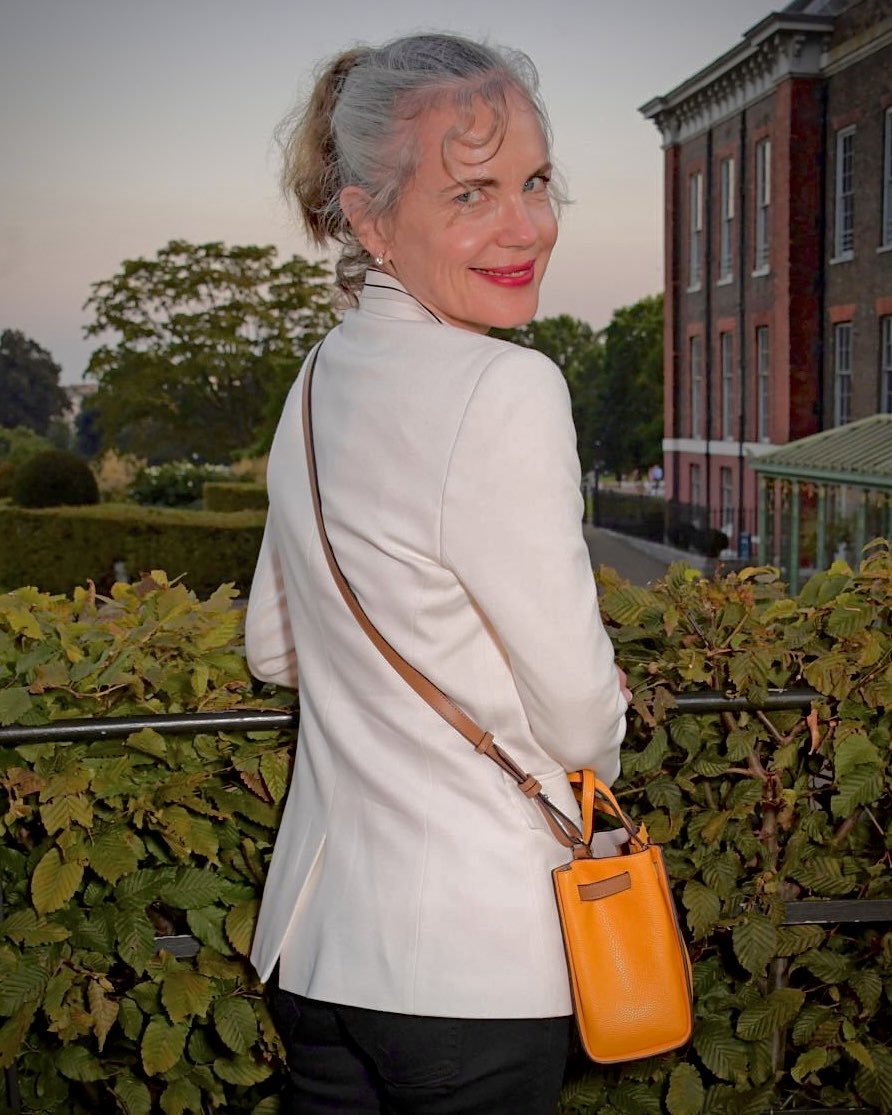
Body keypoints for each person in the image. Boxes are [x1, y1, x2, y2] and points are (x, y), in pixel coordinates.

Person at [245, 32, 631, 1115]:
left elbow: (274, 646)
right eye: (472, 193)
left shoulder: (317, 379)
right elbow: (576, 717)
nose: (526, 228)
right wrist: (602, 711)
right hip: (474, 964)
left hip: (318, 956)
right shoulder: (505, 390)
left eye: (535, 181)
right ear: (368, 220)